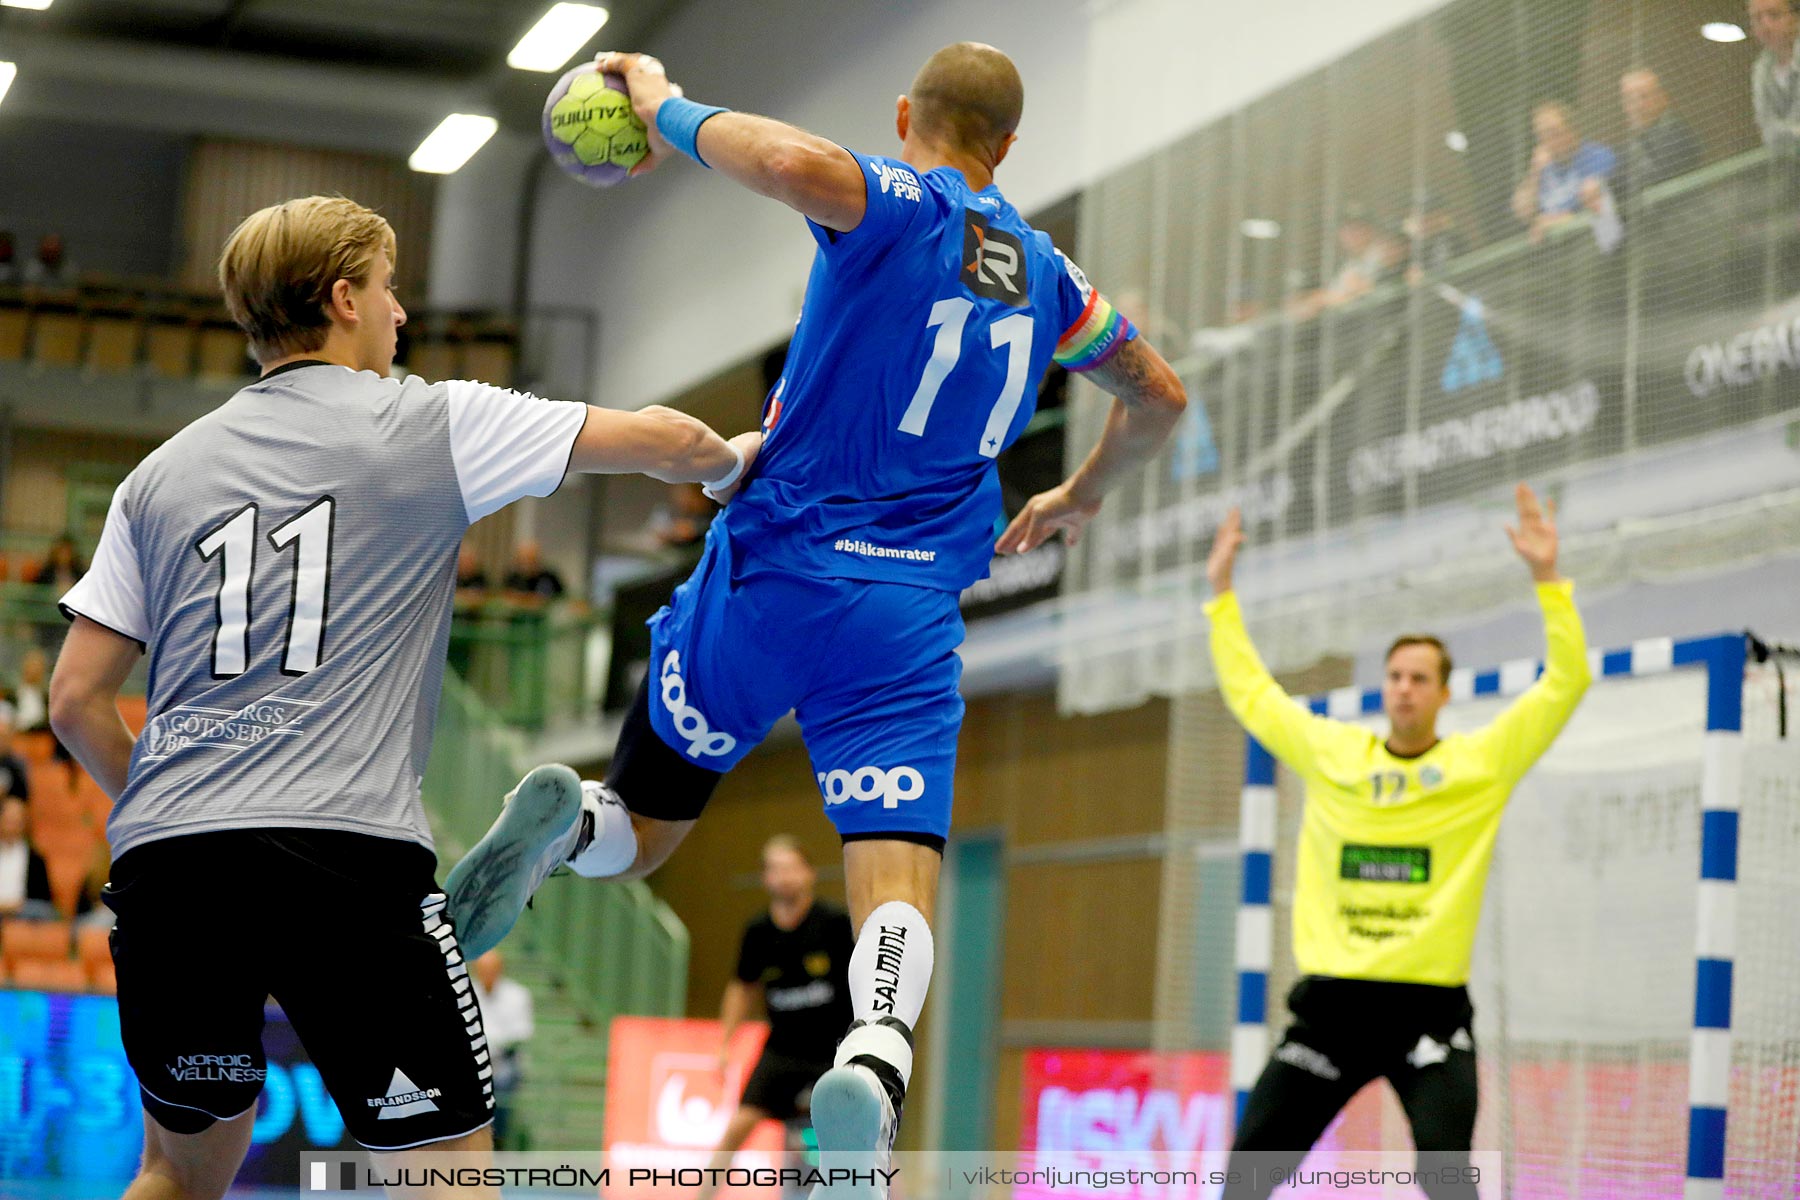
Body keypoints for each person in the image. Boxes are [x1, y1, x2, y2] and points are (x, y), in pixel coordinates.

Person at [445, 42, 1186, 1186]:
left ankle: (569, 827)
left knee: (644, 834)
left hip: (776, 571)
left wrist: (664, 106)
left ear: (905, 116)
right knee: (895, 872)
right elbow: (1159, 395)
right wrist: (1079, 493)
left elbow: (792, 159)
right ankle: (877, 1062)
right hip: (906, 610)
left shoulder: (897, 201)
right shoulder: (1049, 279)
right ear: (1011, 150)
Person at [47, 194, 751, 1200]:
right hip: (344, 855)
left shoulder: (156, 478)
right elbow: (667, 444)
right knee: (444, 1174)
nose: (402, 316)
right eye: (388, 290)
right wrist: (745, 465)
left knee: (180, 1170)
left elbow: (75, 700)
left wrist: (166, 818)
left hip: (172, 867)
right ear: (342, 299)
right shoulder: (430, 419)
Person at [1207, 484, 1590, 1200]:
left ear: (1445, 692)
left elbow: (1567, 682)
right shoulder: (1336, 755)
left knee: (1448, 1177)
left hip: (1430, 1019)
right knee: (1247, 1177)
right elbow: (1252, 693)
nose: (1405, 688)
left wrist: (1548, 577)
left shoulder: (1478, 766)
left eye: (1420, 678)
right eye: (1395, 676)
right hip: (1331, 1015)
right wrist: (1222, 592)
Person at [698, 835, 854, 1200]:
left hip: (833, 1051)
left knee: (858, 1137)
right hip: (781, 1050)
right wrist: (724, 1044)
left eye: (790, 867)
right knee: (737, 1126)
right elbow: (742, 987)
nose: (783, 877)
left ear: (809, 873)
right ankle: (701, 1196)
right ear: (766, 878)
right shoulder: (758, 932)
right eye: (775, 869)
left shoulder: (834, 924)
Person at [1510, 102, 1616, 241]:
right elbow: (1523, 211)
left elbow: (1596, 209)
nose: (1547, 141)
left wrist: (1552, 222)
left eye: (1552, 133)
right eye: (1541, 136)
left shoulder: (1597, 157)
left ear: (1571, 130)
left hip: (1588, 245)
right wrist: (1534, 172)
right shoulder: (1543, 170)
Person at [1287, 209, 1406, 320]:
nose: (1350, 235)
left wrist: (1321, 301)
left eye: (1357, 228)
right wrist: (1315, 299)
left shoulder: (1385, 253)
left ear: (1370, 230)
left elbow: (1360, 292)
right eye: (1346, 229)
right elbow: (1334, 293)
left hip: (1381, 318)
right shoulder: (1350, 264)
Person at [470, 950, 534, 1149]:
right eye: (483, 970)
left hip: (503, 1058)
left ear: (500, 970)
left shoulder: (518, 995)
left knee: (504, 1082)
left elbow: (523, 1032)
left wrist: (493, 1045)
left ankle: (497, 1139)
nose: (487, 975)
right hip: (471, 1058)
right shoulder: (466, 990)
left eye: (491, 970)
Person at [1615, 69, 1702, 204]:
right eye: (1629, 100)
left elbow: (1659, 183)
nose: (1637, 106)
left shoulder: (1676, 135)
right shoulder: (1631, 145)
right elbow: (1618, 186)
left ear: (1662, 98)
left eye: (1644, 97)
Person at [1750, 0, 1800, 152]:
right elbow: (1765, 128)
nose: (1766, 26)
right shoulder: (1761, 69)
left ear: (1796, 18)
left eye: (1774, 15)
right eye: (1758, 18)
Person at [0, 795, 56, 922]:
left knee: (42, 912)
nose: (12, 826)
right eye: (9, 820)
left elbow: (44, 900)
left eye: (17, 821)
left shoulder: (36, 860)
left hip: (24, 913)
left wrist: (16, 907)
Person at [501, 539, 566, 602]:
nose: (527, 563)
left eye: (531, 559)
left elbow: (562, 599)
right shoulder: (512, 578)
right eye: (523, 559)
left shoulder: (550, 578)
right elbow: (505, 597)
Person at [0, 702, 33, 804]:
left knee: (14, 809)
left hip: (6, 810)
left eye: (3, 736)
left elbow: (24, 797)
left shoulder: (17, 764)